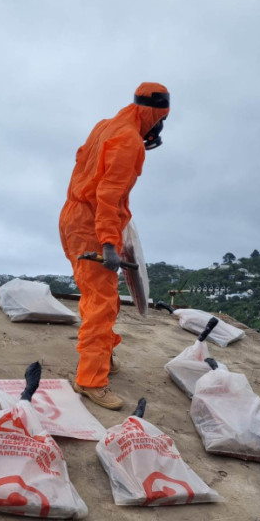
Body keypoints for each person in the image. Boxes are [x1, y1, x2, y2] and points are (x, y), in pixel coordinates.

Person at [59, 83, 170, 410]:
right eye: (160, 119)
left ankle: (103, 355)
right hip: (92, 223)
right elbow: (109, 195)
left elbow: (88, 162)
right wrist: (109, 244)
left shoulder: (107, 126)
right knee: (102, 303)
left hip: (73, 216)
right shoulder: (129, 141)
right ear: (155, 113)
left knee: (96, 295)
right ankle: (90, 380)